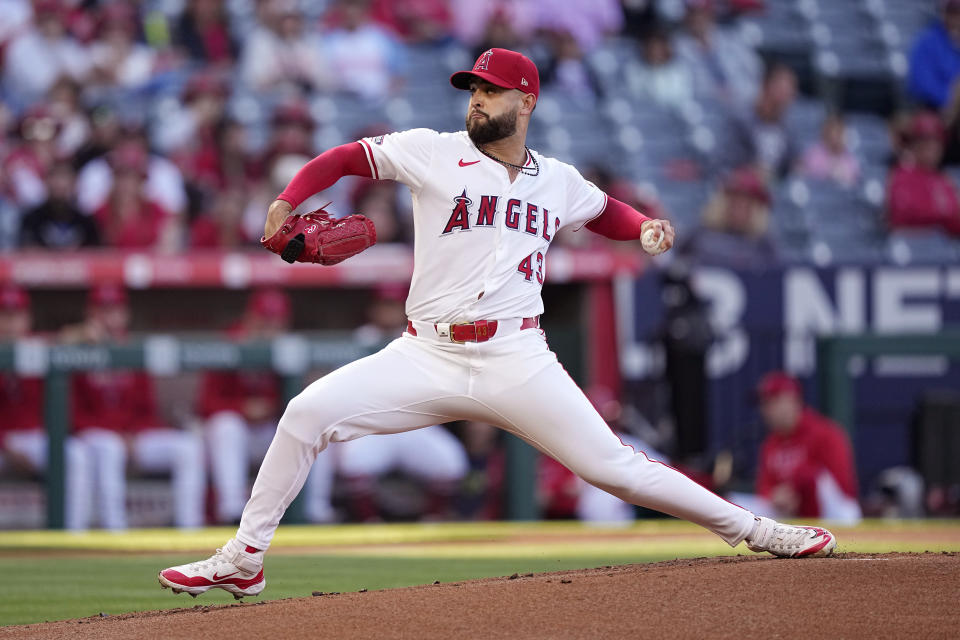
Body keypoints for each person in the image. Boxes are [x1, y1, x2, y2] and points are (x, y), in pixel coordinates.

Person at [159, 47, 837, 600]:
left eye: (489, 90)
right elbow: (345, 159)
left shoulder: (558, 179)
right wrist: (285, 200)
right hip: (426, 354)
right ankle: (244, 558)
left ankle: (756, 530)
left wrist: (644, 228)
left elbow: (602, 210)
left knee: (617, 470)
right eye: (472, 90)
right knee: (305, 414)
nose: (477, 100)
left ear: (526, 102)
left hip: (518, 357)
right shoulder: (433, 149)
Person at [66, 284, 205, 530]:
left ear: (125, 314)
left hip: (132, 435)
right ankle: (115, 533)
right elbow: (71, 413)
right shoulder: (75, 350)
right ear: (91, 315)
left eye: (115, 310)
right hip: (93, 435)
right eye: (102, 311)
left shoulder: (131, 350)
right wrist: (117, 435)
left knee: (188, 448)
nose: (109, 317)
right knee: (110, 448)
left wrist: (132, 435)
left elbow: (145, 409)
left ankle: (190, 531)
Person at [196, 289, 335, 524]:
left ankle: (315, 510)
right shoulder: (230, 344)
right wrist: (242, 408)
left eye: (275, 322)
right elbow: (205, 404)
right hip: (234, 434)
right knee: (227, 426)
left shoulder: (289, 348)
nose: (269, 328)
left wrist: (270, 407)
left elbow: (300, 402)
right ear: (250, 317)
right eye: (264, 320)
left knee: (317, 431)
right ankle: (231, 511)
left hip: (269, 431)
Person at [0, 284, 92, 530]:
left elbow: (69, 337)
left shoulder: (37, 347)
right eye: (4, 316)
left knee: (76, 454)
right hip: (4, 441)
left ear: (27, 319)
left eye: (16, 316)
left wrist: (84, 332)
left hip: (31, 439)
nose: (10, 324)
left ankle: (73, 538)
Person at [734, 372, 861, 525]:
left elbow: (842, 486)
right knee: (734, 503)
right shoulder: (771, 443)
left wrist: (796, 491)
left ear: (792, 400)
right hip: (790, 514)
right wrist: (775, 496)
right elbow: (764, 486)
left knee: (812, 476)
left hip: (835, 513)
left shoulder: (825, 433)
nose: (765, 410)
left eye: (771, 402)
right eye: (764, 404)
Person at [886, 111, 960, 236]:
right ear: (914, 144)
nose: (931, 148)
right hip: (913, 248)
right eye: (925, 142)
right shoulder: (902, 174)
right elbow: (903, 217)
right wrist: (944, 217)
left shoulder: (942, 179)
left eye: (936, 142)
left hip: (943, 248)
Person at [798, 113, 860, 189]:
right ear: (826, 133)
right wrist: (829, 171)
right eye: (834, 132)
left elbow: (854, 180)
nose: (836, 137)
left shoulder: (848, 157)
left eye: (839, 132)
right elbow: (809, 175)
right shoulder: (814, 152)